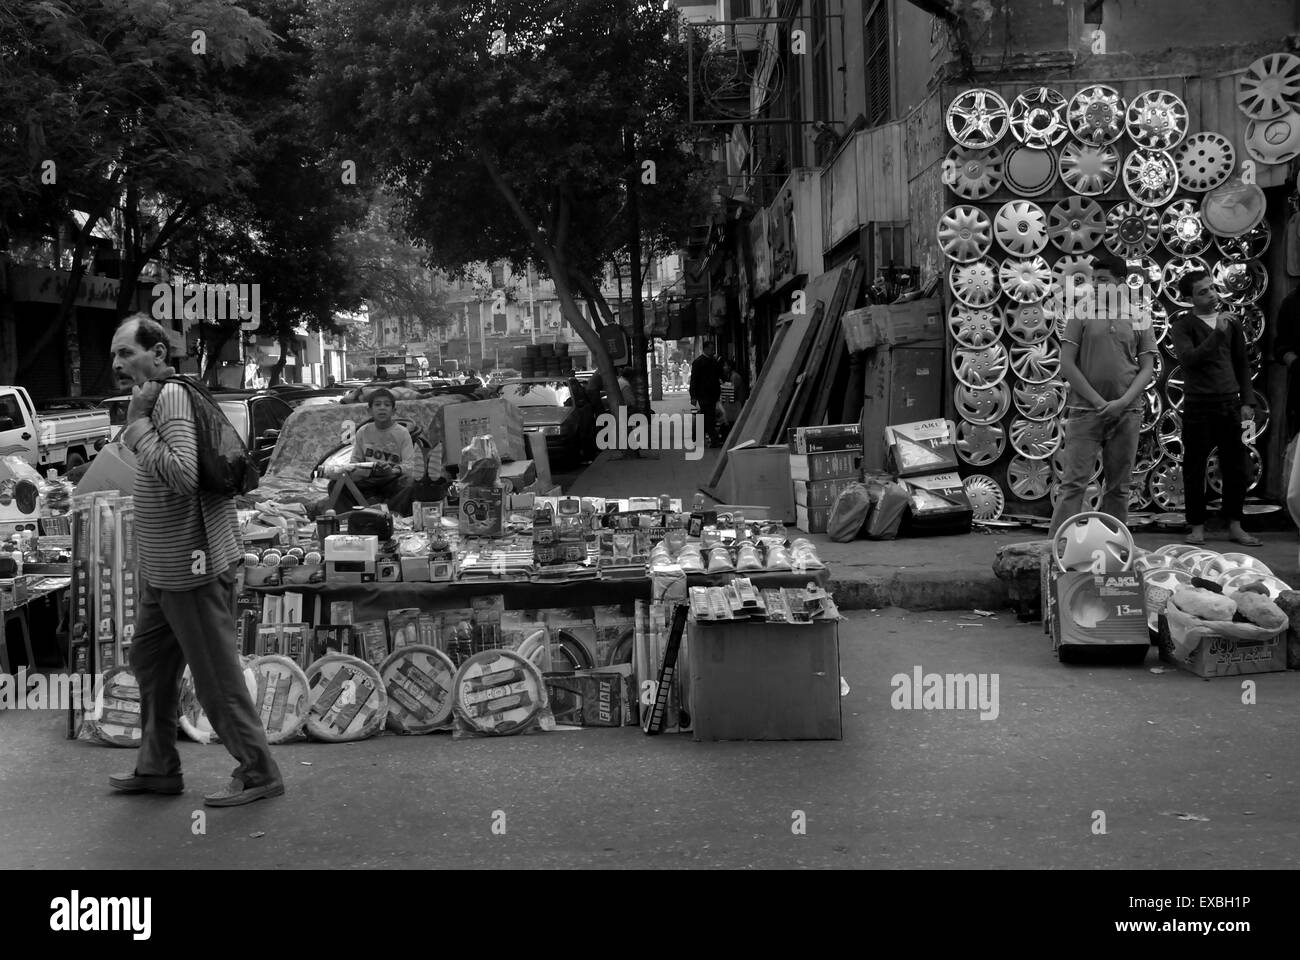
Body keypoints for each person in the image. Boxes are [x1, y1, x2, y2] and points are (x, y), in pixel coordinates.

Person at [109, 314, 284, 807]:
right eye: (115, 356)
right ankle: (158, 766)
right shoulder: (151, 399)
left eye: (127, 352)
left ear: (159, 354)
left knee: (215, 679)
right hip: (163, 572)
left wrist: (138, 427)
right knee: (151, 666)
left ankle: (258, 771)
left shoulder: (170, 398)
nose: (119, 364)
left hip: (194, 566)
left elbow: (184, 474)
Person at [1049, 254, 1157, 537]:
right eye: (1094, 280)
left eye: (1103, 281)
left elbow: (1147, 367)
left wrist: (1122, 402)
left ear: (1120, 284)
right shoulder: (1080, 313)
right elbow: (1067, 364)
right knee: (1073, 484)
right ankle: (1055, 552)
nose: (1096, 286)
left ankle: (1113, 548)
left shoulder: (1138, 316)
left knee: (1119, 487)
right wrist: (1099, 402)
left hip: (1128, 412)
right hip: (1086, 412)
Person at [1171, 270, 1261, 547]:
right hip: (1198, 405)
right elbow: (1190, 360)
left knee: (1236, 466)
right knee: (1194, 467)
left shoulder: (1231, 322)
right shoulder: (1184, 326)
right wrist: (1218, 333)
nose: (1211, 294)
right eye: (1203, 292)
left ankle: (1235, 525)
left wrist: (1247, 401)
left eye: (1211, 288)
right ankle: (1197, 526)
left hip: (1230, 404)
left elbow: (1241, 364)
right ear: (1188, 299)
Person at [339, 388, 417, 515]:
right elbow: (354, 462)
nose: (382, 408)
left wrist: (393, 470)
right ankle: (352, 519)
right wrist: (366, 470)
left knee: (412, 483)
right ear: (369, 411)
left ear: (393, 411)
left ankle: (387, 516)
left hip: (392, 479)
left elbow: (410, 465)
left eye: (387, 405)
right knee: (336, 484)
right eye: (377, 404)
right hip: (369, 480)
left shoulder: (402, 433)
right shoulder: (363, 432)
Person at [690, 341, 723, 446]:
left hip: (712, 394)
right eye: (711, 349)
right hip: (703, 394)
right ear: (705, 349)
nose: (713, 351)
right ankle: (714, 440)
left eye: (713, 349)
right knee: (709, 417)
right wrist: (693, 396)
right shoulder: (698, 362)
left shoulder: (713, 361)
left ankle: (697, 437)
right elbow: (694, 380)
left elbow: (718, 375)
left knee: (706, 416)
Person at [719, 360, 747, 436]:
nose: (724, 368)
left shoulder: (735, 376)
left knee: (731, 420)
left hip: (736, 402)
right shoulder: (731, 375)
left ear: (729, 367)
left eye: (725, 366)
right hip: (734, 401)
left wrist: (723, 385)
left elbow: (732, 390)